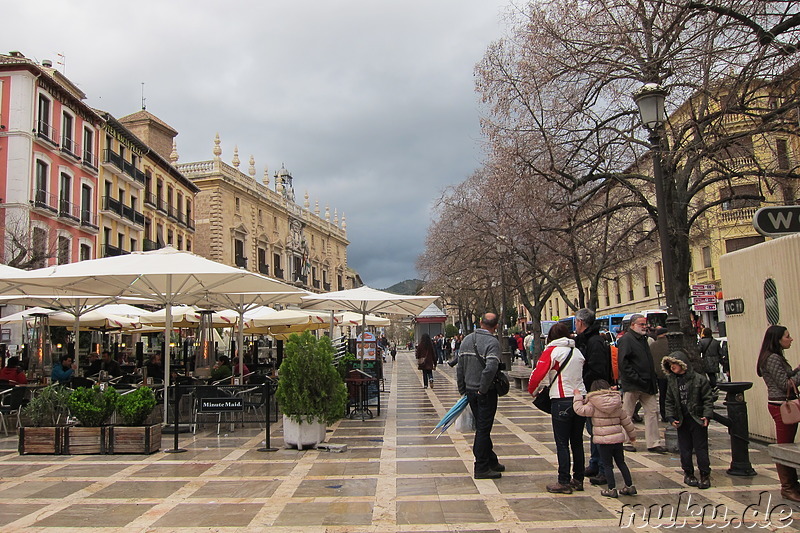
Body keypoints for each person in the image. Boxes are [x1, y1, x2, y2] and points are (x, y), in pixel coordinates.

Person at [528, 322, 587, 494]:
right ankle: (578, 478)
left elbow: (538, 373)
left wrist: (532, 390)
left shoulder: (552, 351)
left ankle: (563, 481)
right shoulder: (577, 352)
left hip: (561, 399)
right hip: (580, 398)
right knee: (577, 441)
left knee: (562, 442)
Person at [457, 313, 504, 479]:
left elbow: (460, 366)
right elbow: (491, 368)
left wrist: (462, 389)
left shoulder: (467, 340)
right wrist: (483, 389)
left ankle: (491, 460)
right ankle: (481, 467)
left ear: (480, 322)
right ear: (496, 326)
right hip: (485, 392)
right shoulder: (492, 342)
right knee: (483, 429)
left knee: (483, 427)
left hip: (470, 391)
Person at [756, 325, 800, 502]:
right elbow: (785, 384)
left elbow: (787, 375)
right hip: (782, 406)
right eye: (787, 336)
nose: (790, 339)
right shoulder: (772, 358)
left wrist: (796, 370)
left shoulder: (775, 356)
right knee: (785, 447)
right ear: (777, 339)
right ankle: (787, 487)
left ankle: (792, 484)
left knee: (787, 445)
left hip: (784, 404)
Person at [572, 380, 637, 498]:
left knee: (607, 465)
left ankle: (612, 489)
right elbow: (626, 421)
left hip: (603, 441)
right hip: (617, 440)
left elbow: (579, 410)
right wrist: (632, 436)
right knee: (621, 463)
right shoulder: (617, 402)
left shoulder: (593, 403)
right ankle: (629, 486)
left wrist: (577, 396)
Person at [663, 350, 714, 489]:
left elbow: (707, 399)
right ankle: (688, 473)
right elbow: (669, 400)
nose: (672, 367)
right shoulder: (672, 380)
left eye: (675, 364)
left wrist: (707, 415)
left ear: (682, 364)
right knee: (685, 448)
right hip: (682, 419)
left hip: (697, 418)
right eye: (670, 364)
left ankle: (704, 474)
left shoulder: (699, 379)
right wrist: (671, 417)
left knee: (700, 448)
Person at [617, 314, 667, 453]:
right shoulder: (627, 340)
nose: (645, 327)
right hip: (633, 384)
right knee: (627, 413)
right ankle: (626, 441)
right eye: (641, 324)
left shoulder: (644, 339)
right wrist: (635, 378)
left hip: (647, 383)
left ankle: (653, 442)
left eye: (645, 324)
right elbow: (623, 363)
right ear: (632, 325)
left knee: (652, 412)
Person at [574, 308, 612, 484]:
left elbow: (596, 368)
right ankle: (595, 463)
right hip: (591, 388)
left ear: (581, 322)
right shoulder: (588, 339)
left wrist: (583, 380)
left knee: (599, 430)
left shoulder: (594, 342)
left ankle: (604, 469)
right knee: (592, 429)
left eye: (576, 322)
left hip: (595, 389)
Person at [649, 327, 670, 422]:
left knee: (663, 395)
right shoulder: (670, 344)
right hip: (671, 373)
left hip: (659, 374)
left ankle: (664, 414)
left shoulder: (653, 345)